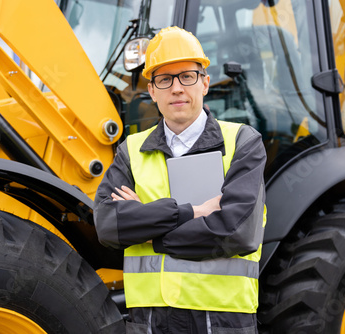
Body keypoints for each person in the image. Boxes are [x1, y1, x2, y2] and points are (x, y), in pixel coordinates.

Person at [94, 26, 266, 334]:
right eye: (164, 79)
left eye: (187, 76)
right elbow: (109, 225)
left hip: (221, 317)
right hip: (150, 319)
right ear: (152, 91)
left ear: (205, 83)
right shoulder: (131, 150)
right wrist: (193, 212)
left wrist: (149, 232)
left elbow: (237, 232)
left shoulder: (242, 142)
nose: (176, 88)